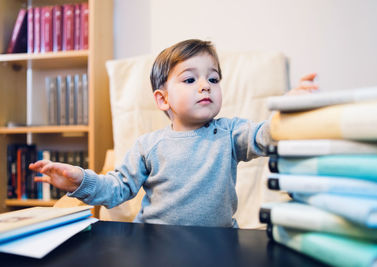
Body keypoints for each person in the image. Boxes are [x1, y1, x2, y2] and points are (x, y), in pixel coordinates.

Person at [29, 39, 318, 227]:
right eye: (190, 79)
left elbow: (265, 137)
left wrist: (286, 112)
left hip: (219, 245)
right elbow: (117, 189)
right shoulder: (148, 145)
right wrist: (81, 180)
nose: (205, 85)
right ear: (162, 99)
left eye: (213, 78)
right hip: (155, 245)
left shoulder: (230, 133)